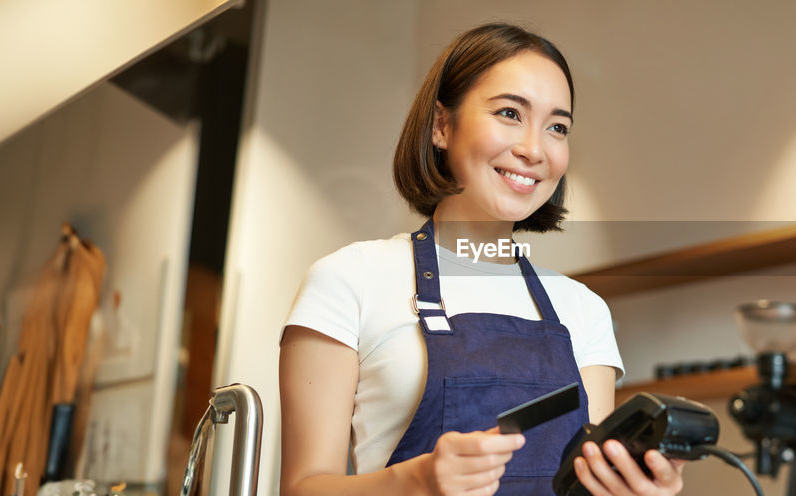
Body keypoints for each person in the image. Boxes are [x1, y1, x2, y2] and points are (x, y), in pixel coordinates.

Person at [278, 23, 686, 495]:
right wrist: (418, 481)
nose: (533, 149)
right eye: (510, 113)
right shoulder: (350, 280)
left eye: (557, 127)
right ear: (441, 126)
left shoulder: (583, 309)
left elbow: (587, 483)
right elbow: (303, 487)